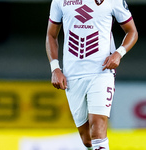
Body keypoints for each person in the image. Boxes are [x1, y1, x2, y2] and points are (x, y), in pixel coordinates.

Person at [46, 0, 138, 149]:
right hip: (72, 75)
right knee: (87, 139)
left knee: (98, 130)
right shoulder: (60, 1)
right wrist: (55, 68)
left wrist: (118, 53)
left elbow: (132, 31)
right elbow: (51, 35)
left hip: (101, 72)